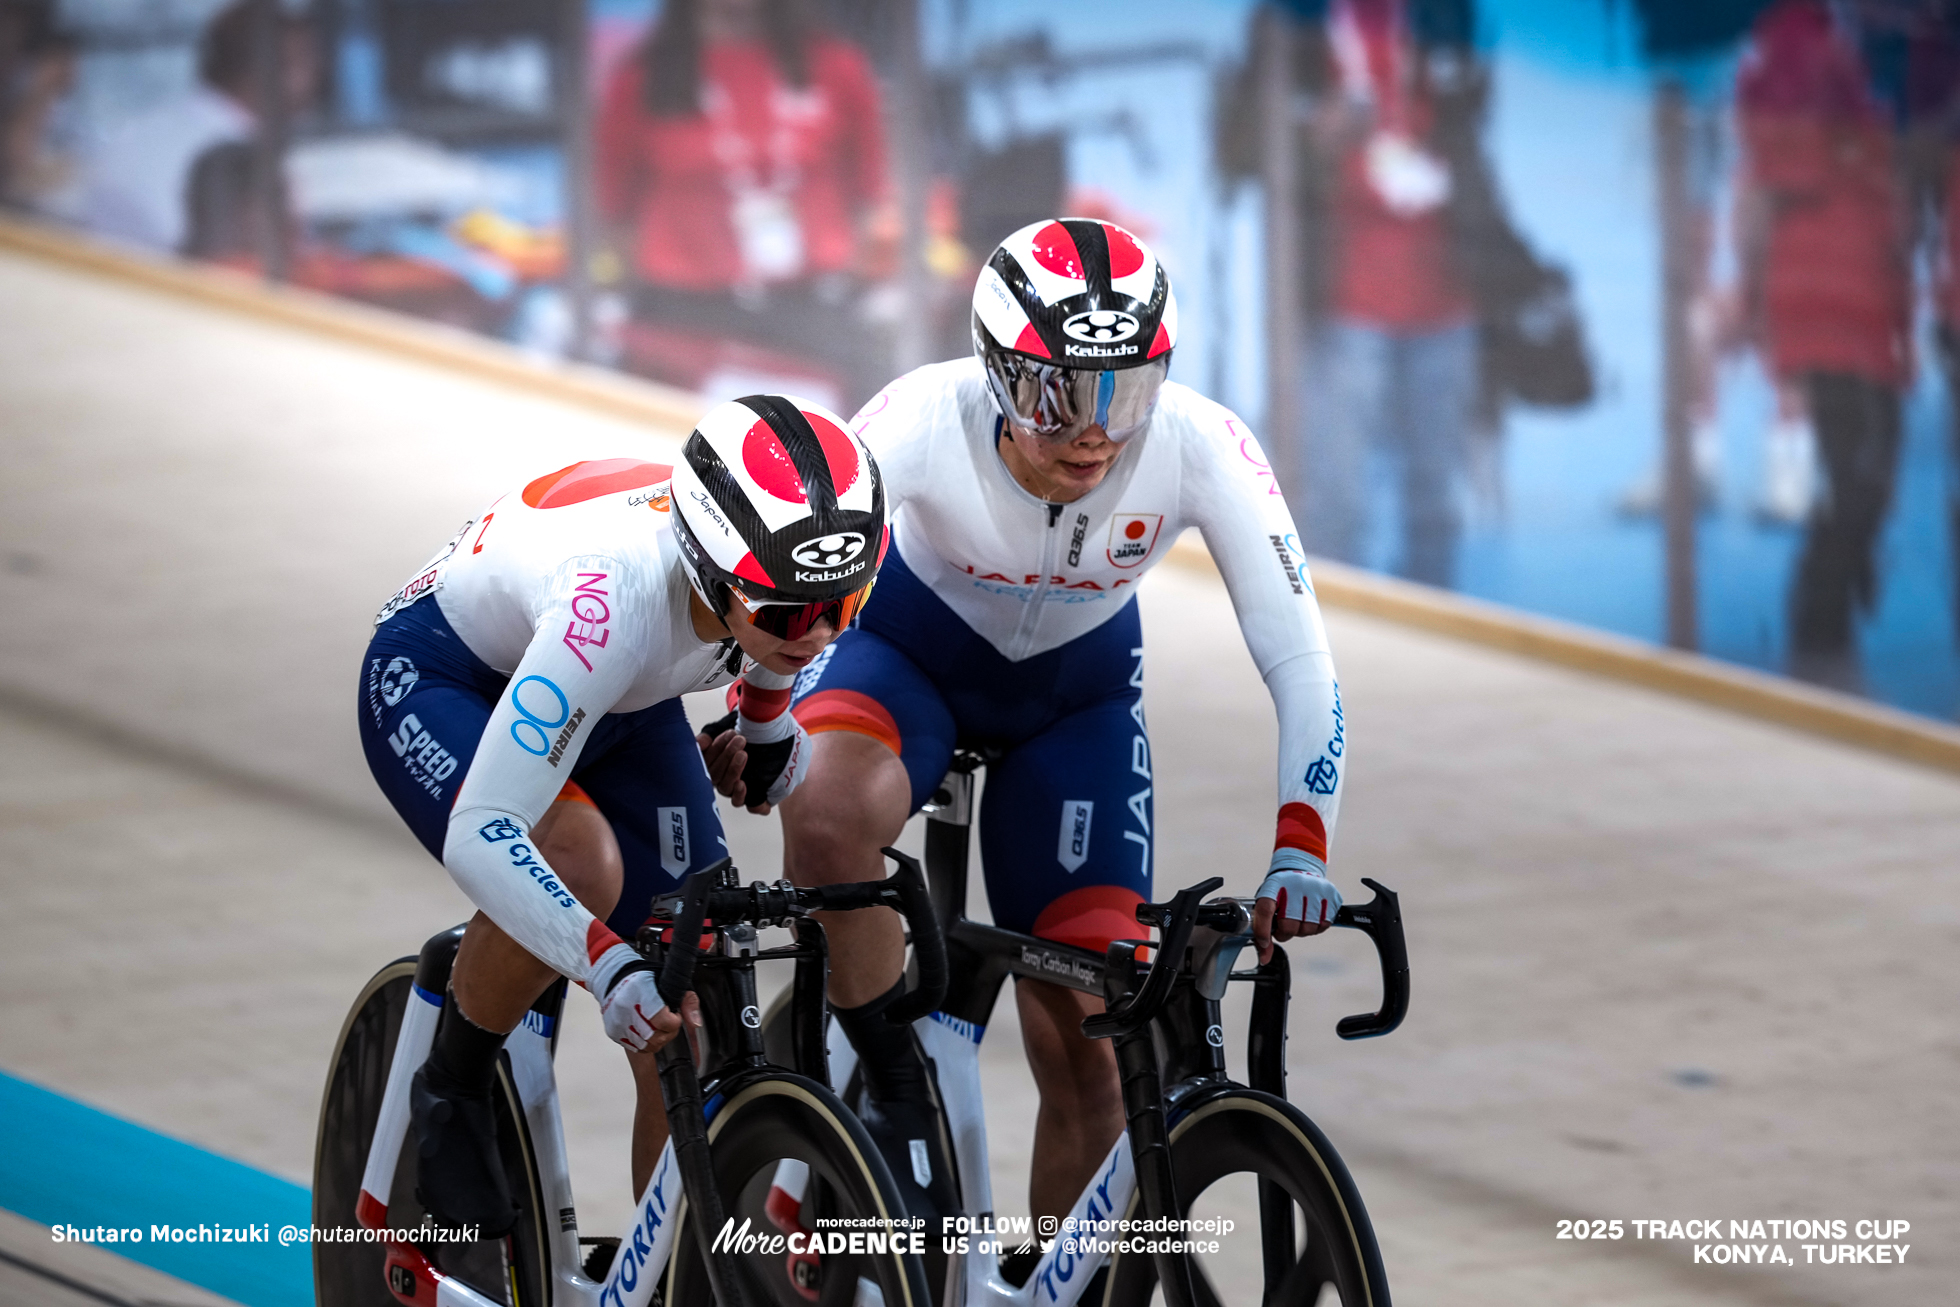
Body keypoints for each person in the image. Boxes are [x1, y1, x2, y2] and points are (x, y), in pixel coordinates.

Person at [772, 219, 1347, 1242]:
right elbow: (804, 592)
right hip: (908, 659)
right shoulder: (913, 416)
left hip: (1069, 703)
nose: (1097, 431)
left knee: (1095, 1034)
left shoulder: (1201, 444)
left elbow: (1301, 656)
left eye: (1127, 391)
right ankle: (886, 1083)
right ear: (996, 373)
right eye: (1060, 394)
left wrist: (1301, 840)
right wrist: (764, 721)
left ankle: (1052, 1276)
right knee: (824, 816)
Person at [357, 395, 885, 1232]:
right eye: (789, 614)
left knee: (694, 999)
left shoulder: (774, 576)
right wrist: (604, 965)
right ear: (715, 573)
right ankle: (451, 1084)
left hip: (619, 698)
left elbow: (790, 626)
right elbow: (482, 832)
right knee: (580, 863)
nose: (819, 633)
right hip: (447, 677)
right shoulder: (610, 607)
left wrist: (763, 717)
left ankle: (674, 1272)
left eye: (845, 605)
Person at [1734, 0, 1911, 689]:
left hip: (1861, 293)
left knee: (1868, 466)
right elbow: (1779, 166)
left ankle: (1827, 616)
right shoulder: (1798, 45)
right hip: (1826, 293)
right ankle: (1820, 632)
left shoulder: (1846, 45)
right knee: (1857, 469)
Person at [593, 0, 891, 405]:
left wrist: (849, 274)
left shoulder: (836, 66)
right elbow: (615, 207)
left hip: (812, 311)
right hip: (682, 316)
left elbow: (871, 197)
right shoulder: (642, 79)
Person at [75, 0, 315, 255]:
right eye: (307, 62)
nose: (316, 79)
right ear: (273, 71)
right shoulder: (233, 163)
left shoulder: (149, 129)